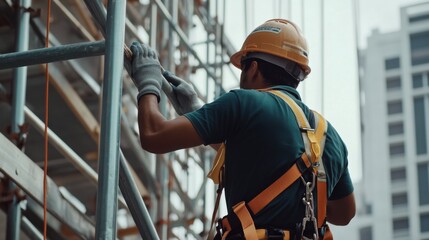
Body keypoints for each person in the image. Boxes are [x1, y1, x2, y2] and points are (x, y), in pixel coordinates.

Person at [130, 18, 355, 239]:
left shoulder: (242, 102)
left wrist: (147, 82)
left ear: (254, 68)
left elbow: (154, 135)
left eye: (243, 68)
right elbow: (345, 213)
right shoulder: (330, 136)